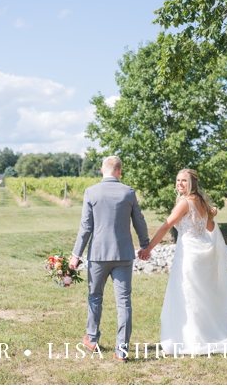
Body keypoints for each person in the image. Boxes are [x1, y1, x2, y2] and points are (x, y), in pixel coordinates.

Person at [140, 169, 227, 355]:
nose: (179, 184)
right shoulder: (202, 201)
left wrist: (148, 249)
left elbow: (166, 226)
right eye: (177, 180)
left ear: (192, 182)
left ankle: (193, 338)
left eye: (183, 181)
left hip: (189, 254)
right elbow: (209, 226)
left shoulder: (184, 203)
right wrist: (211, 216)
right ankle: (207, 334)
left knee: (188, 295)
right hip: (203, 250)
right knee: (202, 295)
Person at [70, 155, 150, 362]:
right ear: (119, 171)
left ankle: (92, 339)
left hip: (98, 255)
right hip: (123, 254)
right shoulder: (128, 192)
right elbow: (139, 221)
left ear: (101, 170)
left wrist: (76, 255)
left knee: (95, 296)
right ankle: (121, 350)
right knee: (124, 302)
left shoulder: (91, 192)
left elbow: (85, 227)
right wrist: (145, 245)